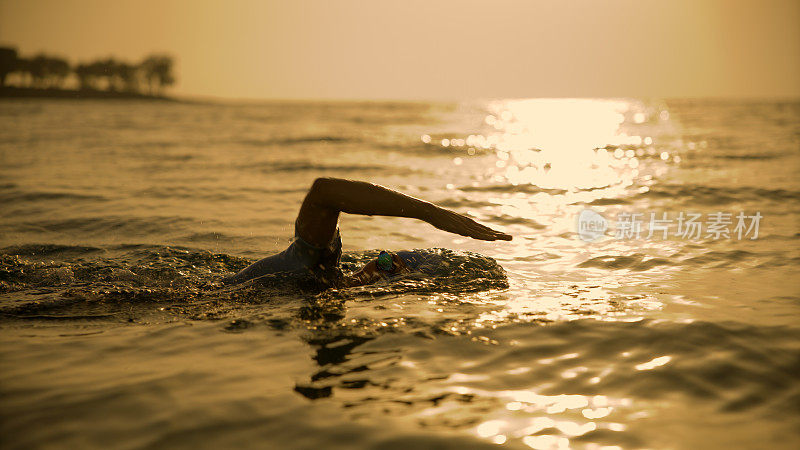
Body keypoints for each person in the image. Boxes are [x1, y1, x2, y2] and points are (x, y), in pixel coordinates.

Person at [223, 177, 512, 288]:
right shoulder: (309, 263)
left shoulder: (320, 277)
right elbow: (323, 191)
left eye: (387, 265)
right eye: (385, 258)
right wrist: (431, 213)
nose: (379, 262)